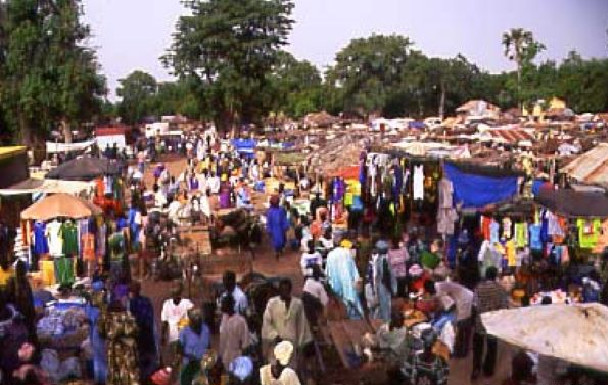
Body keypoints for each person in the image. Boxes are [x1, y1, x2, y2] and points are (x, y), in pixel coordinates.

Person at [261, 279, 312, 369]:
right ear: (279, 290)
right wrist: (275, 335)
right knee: (275, 371)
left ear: (290, 290)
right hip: (276, 344)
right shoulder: (272, 303)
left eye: (286, 290)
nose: (284, 292)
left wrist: (300, 344)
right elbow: (267, 321)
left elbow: (302, 324)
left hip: (292, 344)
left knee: (289, 372)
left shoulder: (297, 304)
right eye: (282, 290)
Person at [471, 266, 508, 380]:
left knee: (478, 348)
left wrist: (473, 321)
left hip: (480, 321)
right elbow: (504, 308)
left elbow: (474, 305)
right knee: (492, 348)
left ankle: (476, 369)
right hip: (493, 323)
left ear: (486, 275)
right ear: (495, 276)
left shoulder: (479, 288)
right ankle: (488, 370)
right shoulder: (501, 290)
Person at [435, 279, 474, 358]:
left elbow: (438, 286)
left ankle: (459, 352)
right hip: (467, 310)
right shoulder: (461, 291)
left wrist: (439, 296)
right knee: (464, 332)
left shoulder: (456, 289)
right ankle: (462, 352)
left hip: (466, 311)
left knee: (462, 331)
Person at [128, 281, 158, 381]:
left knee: (139, 359)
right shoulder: (146, 301)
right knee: (148, 358)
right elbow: (150, 318)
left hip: (137, 335)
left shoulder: (131, 303)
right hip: (147, 333)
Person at [325, 239, 363, 319]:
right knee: (352, 307)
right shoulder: (347, 254)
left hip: (335, 286)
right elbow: (354, 272)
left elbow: (327, 273)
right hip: (348, 286)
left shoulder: (330, 255)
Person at [161, 281, 194, 365]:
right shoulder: (167, 304)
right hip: (174, 338)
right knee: (176, 362)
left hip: (184, 338)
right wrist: (163, 336)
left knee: (182, 362)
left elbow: (193, 318)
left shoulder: (187, 303)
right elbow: (164, 322)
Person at [178, 309, 210, 385]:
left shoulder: (205, 329)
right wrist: (189, 356)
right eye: (195, 323)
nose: (197, 325)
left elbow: (208, 346)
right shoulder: (184, 332)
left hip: (202, 365)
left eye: (199, 323)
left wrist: (208, 357)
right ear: (190, 322)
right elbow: (179, 349)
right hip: (188, 366)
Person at [6, 261, 36, 340]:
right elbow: (8, 300)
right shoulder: (12, 282)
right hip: (18, 315)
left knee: (29, 335)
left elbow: (30, 299)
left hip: (26, 314)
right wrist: (14, 312)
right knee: (23, 337)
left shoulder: (24, 281)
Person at [219, 295, 250, 369]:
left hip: (237, 356)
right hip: (225, 357)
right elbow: (222, 339)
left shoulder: (240, 321)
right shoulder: (224, 318)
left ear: (230, 305)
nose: (222, 306)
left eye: (224, 304)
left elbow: (245, 343)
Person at [266, 196, 289, 260]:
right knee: (276, 241)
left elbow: (283, 218)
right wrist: (269, 229)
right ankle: (277, 251)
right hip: (275, 228)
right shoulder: (270, 211)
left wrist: (285, 226)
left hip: (279, 228)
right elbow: (269, 221)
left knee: (281, 240)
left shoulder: (280, 210)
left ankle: (279, 250)